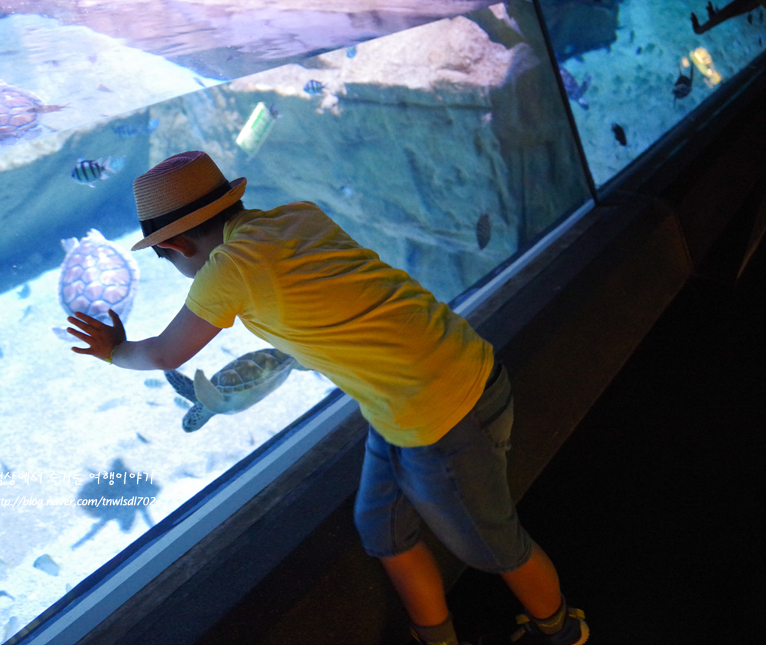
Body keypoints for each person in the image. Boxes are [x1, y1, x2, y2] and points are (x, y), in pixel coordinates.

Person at [66, 151, 589, 645]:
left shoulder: (230, 268)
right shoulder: (297, 215)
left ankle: (563, 630)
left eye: (164, 256)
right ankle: (436, 636)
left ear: (176, 247)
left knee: (494, 546)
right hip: (440, 379)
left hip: (442, 412)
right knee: (381, 527)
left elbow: (163, 355)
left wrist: (114, 350)